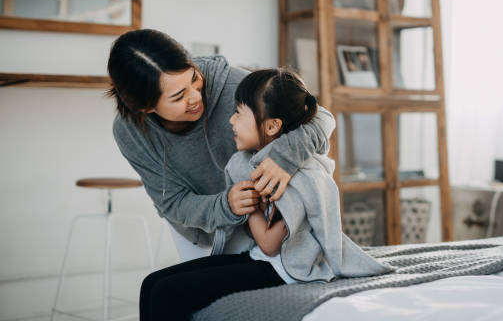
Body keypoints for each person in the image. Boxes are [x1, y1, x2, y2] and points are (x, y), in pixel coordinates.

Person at [139, 69, 393, 321]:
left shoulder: (289, 177)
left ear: (271, 126)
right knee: (151, 283)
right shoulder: (256, 163)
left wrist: (250, 207)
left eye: (239, 113)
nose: (231, 121)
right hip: (262, 260)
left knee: (166, 292)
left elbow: (270, 244)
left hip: (284, 270)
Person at [107, 29, 336, 261]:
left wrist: (284, 158)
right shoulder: (130, 132)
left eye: (194, 78)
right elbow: (173, 202)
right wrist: (226, 205)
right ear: (145, 108)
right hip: (202, 232)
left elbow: (322, 118)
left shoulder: (233, 84)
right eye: (178, 97)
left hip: (266, 222)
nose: (195, 96)